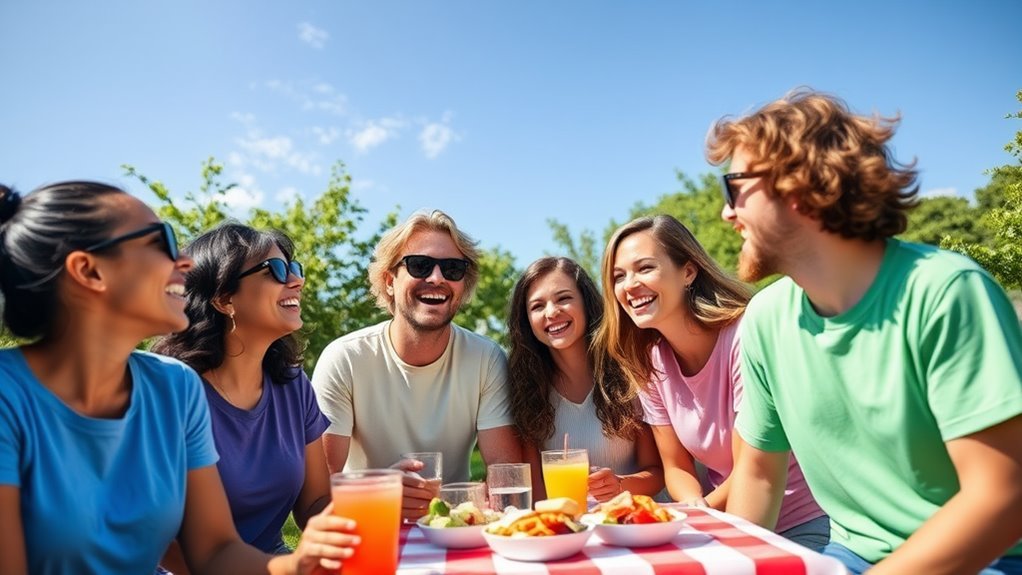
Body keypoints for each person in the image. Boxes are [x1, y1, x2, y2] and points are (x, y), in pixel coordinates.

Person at [706, 89, 1022, 574]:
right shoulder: (766, 319)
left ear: (799, 186)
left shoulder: (945, 292)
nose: (727, 213)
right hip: (853, 556)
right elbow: (759, 476)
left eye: (734, 188)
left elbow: (1002, 497)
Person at [0, 182, 355, 575]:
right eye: (161, 241)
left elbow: (217, 551)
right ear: (89, 270)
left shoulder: (173, 387)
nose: (185, 261)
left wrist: (296, 566)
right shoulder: (8, 398)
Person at [594, 214, 828, 550]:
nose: (629, 285)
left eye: (645, 268)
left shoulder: (744, 337)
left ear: (688, 272)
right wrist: (693, 504)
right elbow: (675, 465)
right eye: (618, 276)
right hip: (724, 523)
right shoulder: (652, 362)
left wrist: (693, 515)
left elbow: (752, 467)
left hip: (802, 523)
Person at [312, 209, 521, 522]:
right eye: (420, 265)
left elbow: (505, 480)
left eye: (453, 269)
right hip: (369, 529)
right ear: (389, 281)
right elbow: (315, 499)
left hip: (453, 532)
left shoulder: (486, 358)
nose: (437, 278)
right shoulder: (344, 359)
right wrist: (380, 494)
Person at [151, 223, 332, 571]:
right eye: (276, 270)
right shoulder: (171, 395)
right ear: (223, 299)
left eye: (294, 268)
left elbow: (315, 501)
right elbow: (162, 542)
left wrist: (376, 498)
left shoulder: (293, 384)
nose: (296, 281)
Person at [506, 256, 664, 503]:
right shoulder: (527, 390)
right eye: (537, 306)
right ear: (527, 321)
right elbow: (537, 494)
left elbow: (657, 472)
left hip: (634, 522)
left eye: (564, 298)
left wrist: (620, 485)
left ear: (586, 303)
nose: (552, 312)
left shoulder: (629, 375)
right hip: (571, 526)